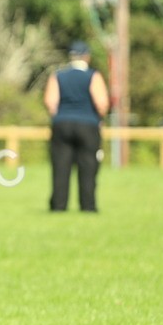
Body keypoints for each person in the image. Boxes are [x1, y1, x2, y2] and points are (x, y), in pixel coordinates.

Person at [44, 40, 109, 212]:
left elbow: (50, 102)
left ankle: (58, 206)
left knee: (60, 166)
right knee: (88, 166)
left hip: (62, 123)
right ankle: (88, 206)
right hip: (88, 124)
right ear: (87, 56)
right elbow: (102, 103)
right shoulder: (93, 76)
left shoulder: (58, 76)